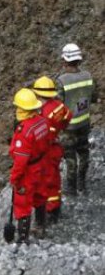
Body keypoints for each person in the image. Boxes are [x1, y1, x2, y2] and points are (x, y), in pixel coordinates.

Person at [9, 88, 50, 244]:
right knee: (40, 196)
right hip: (41, 165)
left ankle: (23, 239)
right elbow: (47, 143)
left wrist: (15, 178)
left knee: (22, 203)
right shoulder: (42, 121)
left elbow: (20, 162)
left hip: (29, 171)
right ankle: (40, 227)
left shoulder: (23, 131)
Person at [56, 43, 97, 195]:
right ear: (79, 60)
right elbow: (94, 97)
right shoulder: (88, 77)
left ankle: (71, 188)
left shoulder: (61, 81)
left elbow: (57, 106)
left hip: (68, 127)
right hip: (84, 123)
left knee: (70, 157)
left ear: (65, 60)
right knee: (84, 152)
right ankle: (82, 184)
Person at [32, 76, 72, 224]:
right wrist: (59, 129)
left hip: (47, 151)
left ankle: (51, 211)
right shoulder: (59, 106)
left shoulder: (43, 114)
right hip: (55, 147)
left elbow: (41, 138)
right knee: (55, 178)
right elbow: (68, 117)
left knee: (48, 181)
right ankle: (54, 207)